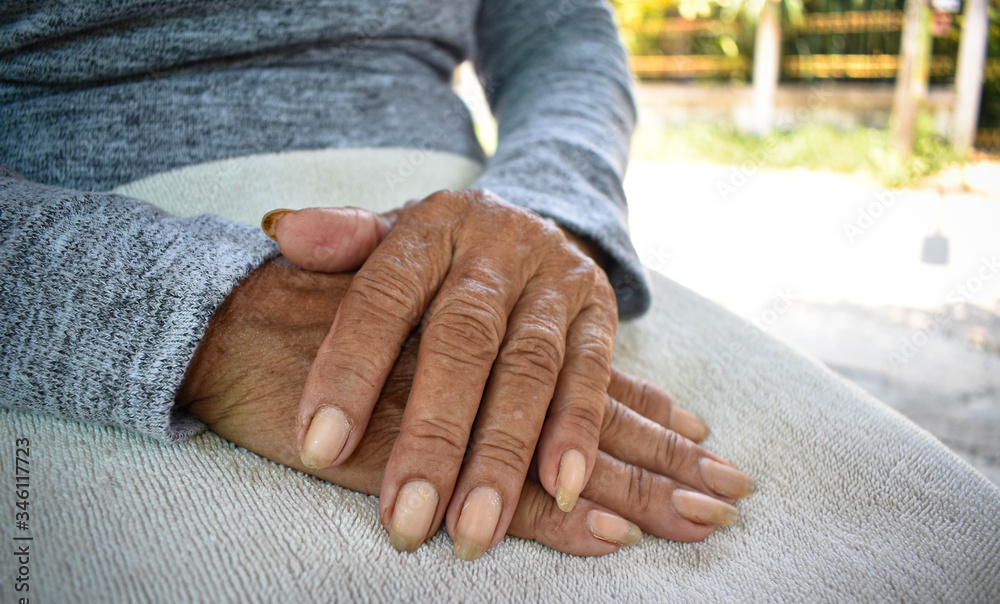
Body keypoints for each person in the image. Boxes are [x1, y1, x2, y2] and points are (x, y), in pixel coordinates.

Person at [0, 0, 753, 560]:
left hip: (501, 237)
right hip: (78, 273)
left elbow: (562, 32)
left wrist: (537, 220)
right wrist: (193, 307)